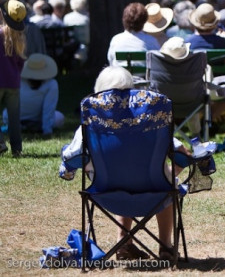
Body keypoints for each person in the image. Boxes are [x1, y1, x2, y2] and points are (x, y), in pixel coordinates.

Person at [59, 66, 189, 260]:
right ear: (131, 88)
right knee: (169, 186)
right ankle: (165, 247)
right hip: (155, 193)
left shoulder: (92, 121)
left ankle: (124, 244)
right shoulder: (151, 118)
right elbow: (181, 152)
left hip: (106, 193)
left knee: (123, 174)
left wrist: (71, 171)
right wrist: (172, 172)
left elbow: (71, 158)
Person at [13, 53, 63, 139]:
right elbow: (49, 108)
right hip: (38, 119)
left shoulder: (19, 80)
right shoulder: (51, 84)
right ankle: (35, 126)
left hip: (17, 118)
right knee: (59, 117)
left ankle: (22, 126)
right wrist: (47, 130)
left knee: (6, 114)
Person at [0, 0, 27, 157]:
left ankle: (1, 144)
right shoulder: (20, 37)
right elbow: (20, 62)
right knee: (14, 118)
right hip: (13, 82)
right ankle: (17, 149)